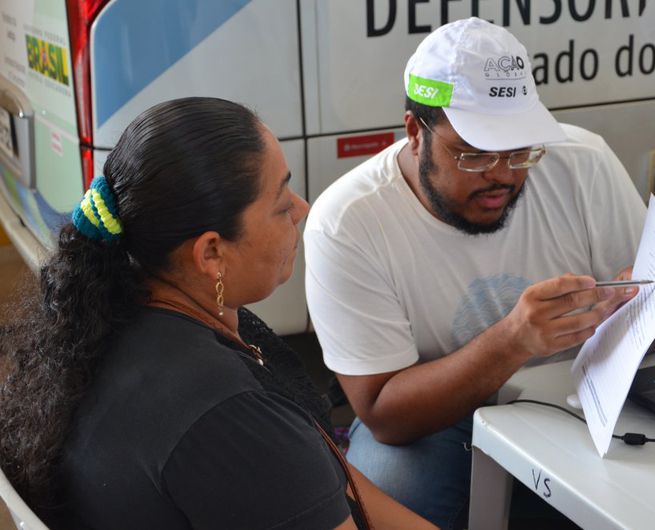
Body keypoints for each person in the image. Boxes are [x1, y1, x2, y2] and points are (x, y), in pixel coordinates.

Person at [304, 17, 655, 529]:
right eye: (474, 154)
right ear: (415, 133)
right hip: (439, 417)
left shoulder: (583, 162)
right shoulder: (348, 222)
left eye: (520, 149)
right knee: (386, 491)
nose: (503, 175)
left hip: (581, 388)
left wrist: (638, 312)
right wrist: (513, 341)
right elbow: (383, 413)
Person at [0, 97, 435, 530]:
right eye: (281, 202)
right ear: (211, 252)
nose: (301, 209)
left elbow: (335, 478)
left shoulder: (114, 316)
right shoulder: (229, 417)